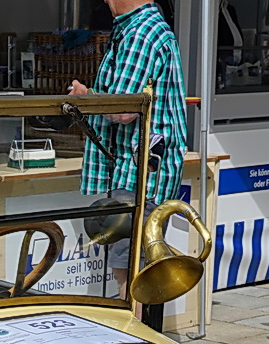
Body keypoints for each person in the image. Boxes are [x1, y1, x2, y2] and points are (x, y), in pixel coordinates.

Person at [69, 0, 189, 285]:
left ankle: (134, 328)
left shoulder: (140, 34)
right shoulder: (140, 29)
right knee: (136, 266)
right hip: (140, 170)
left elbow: (122, 110)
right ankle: (137, 324)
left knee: (131, 272)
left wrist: (84, 98)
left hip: (137, 174)